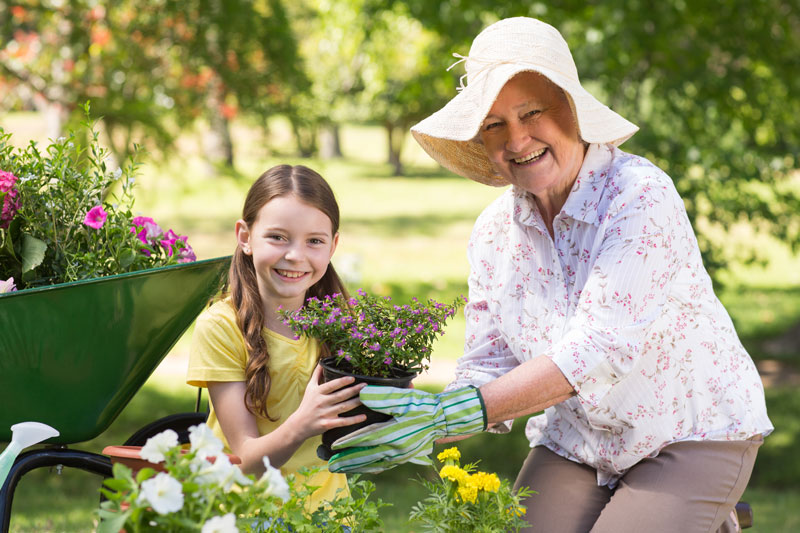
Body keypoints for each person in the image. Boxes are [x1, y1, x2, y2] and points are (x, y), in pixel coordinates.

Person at [327, 17, 773, 532]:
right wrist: (418, 418)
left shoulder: (638, 196)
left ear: (573, 111)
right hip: (577, 437)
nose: (517, 140)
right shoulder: (494, 231)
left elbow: (599, 347)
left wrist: (457, 414)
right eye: (494, 124)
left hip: (689, 429)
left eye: (531, 112)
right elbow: (489, 361)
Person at [187, 164, 367, 510]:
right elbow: (246, 460)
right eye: (277, 237)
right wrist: (303, 423)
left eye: (314, 241)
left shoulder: (341, 325)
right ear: (245, 237)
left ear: (333, 247)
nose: (295, 255)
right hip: (243, 515)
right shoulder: (223, 326)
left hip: (329, 516)